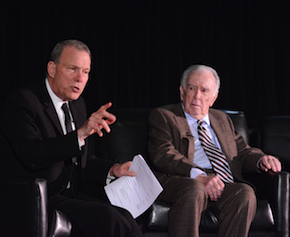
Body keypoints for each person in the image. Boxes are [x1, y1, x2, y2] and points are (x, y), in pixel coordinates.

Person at [0, 39, 143, 237]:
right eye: (72, 69)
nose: (80, 78)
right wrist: (81, 133)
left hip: (74, 194)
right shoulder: (23, 102)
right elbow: (33, 154)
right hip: (41, 196)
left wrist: (112, 169)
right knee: (109, 219)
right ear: (52, 69)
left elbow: (82, 160)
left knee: (125, 217)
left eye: (85, 72)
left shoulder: (78, 105)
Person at [147, 64, 281, 237]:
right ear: (182, 91)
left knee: (244, 193)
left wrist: (261, 159)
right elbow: (163, 154)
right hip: (183, 179)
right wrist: (200, 176)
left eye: (204, 90)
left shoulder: (222, 119)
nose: (197, 96)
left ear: (214, 97)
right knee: (194, 187)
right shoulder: (164, 116)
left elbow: (241, 152)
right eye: (191, 88)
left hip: (221, 181)